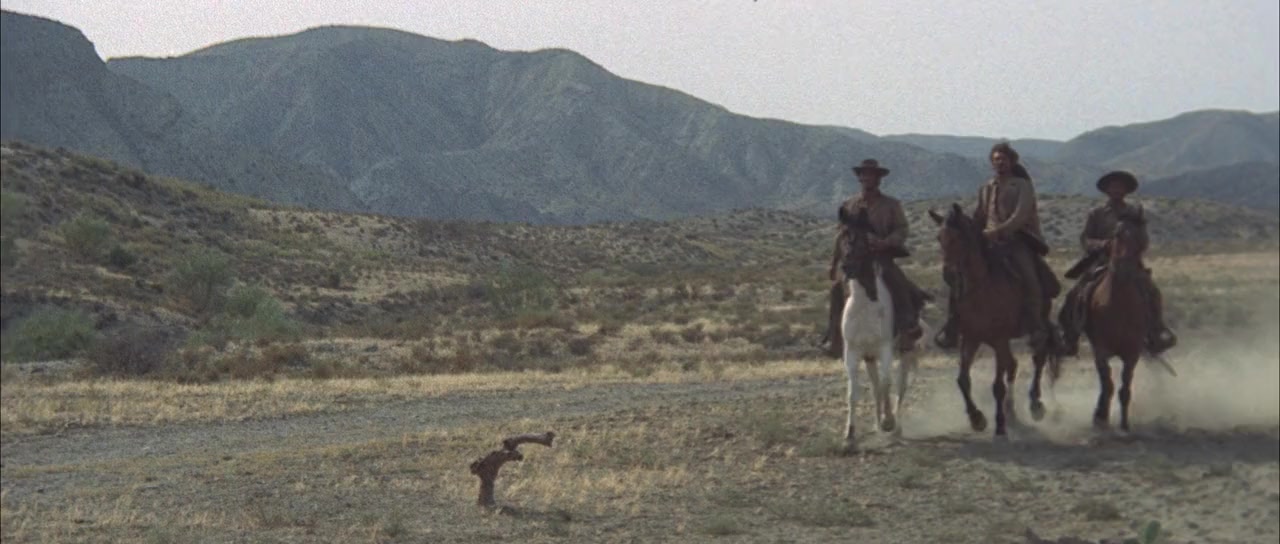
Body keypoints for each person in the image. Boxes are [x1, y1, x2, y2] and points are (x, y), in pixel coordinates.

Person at [935, 142, 1057, 350]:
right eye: (996, 159)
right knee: (959, 275)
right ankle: (953, 325)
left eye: (1003, 159)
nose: (1000, 163)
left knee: (1029, 276)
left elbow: (1020, 215)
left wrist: (999, 231)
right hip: (988, 241)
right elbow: (980, 216)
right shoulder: (986, 188)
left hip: (1018, 240)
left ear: (1012, 161)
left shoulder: (1022, 186)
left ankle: (1036, 325)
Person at [1059, 170, 1177, 355]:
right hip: (1101, 261)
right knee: (1075, 294)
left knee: (1152, 291)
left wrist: (1131, 248)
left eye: (1120, 187)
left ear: (1126, 191)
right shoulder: (1097, 213)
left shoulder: (1134, 213)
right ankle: (1071, 336)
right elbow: (1086, 239)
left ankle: (1157, 330)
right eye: (1113, 187)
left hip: (1130, 262)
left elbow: (1143, 240)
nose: (1116, 190)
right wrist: (1104, 245)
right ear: (1107, 190)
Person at [821, 159, 931, 357]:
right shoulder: (849, 205)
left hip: (881, 257)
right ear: (859, 178)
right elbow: (842, 236)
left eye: (871, 175)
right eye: (864, 174)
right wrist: (834, 263)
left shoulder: (891, 205)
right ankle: (834, 337)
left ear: (878, 179)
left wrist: (886, 242)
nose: (867, 178)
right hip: (854, 260)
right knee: (837, 290)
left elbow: (902, 229)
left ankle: (907, 328)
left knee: (897, 282)